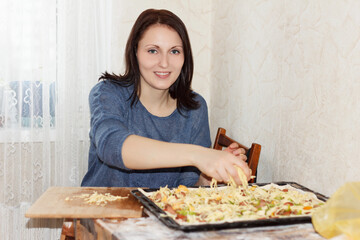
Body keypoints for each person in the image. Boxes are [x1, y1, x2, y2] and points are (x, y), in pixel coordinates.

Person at [81, 8, 251, 188]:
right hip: (102, 211)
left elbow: (188, 187)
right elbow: (112, 146)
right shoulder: (108, 93)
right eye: (153, 51)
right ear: (135, 52)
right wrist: (199, 155)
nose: (164, 63)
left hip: (161, 214)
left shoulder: (195, 107)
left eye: (175, 51)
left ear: (185, 57)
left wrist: (214, 173)